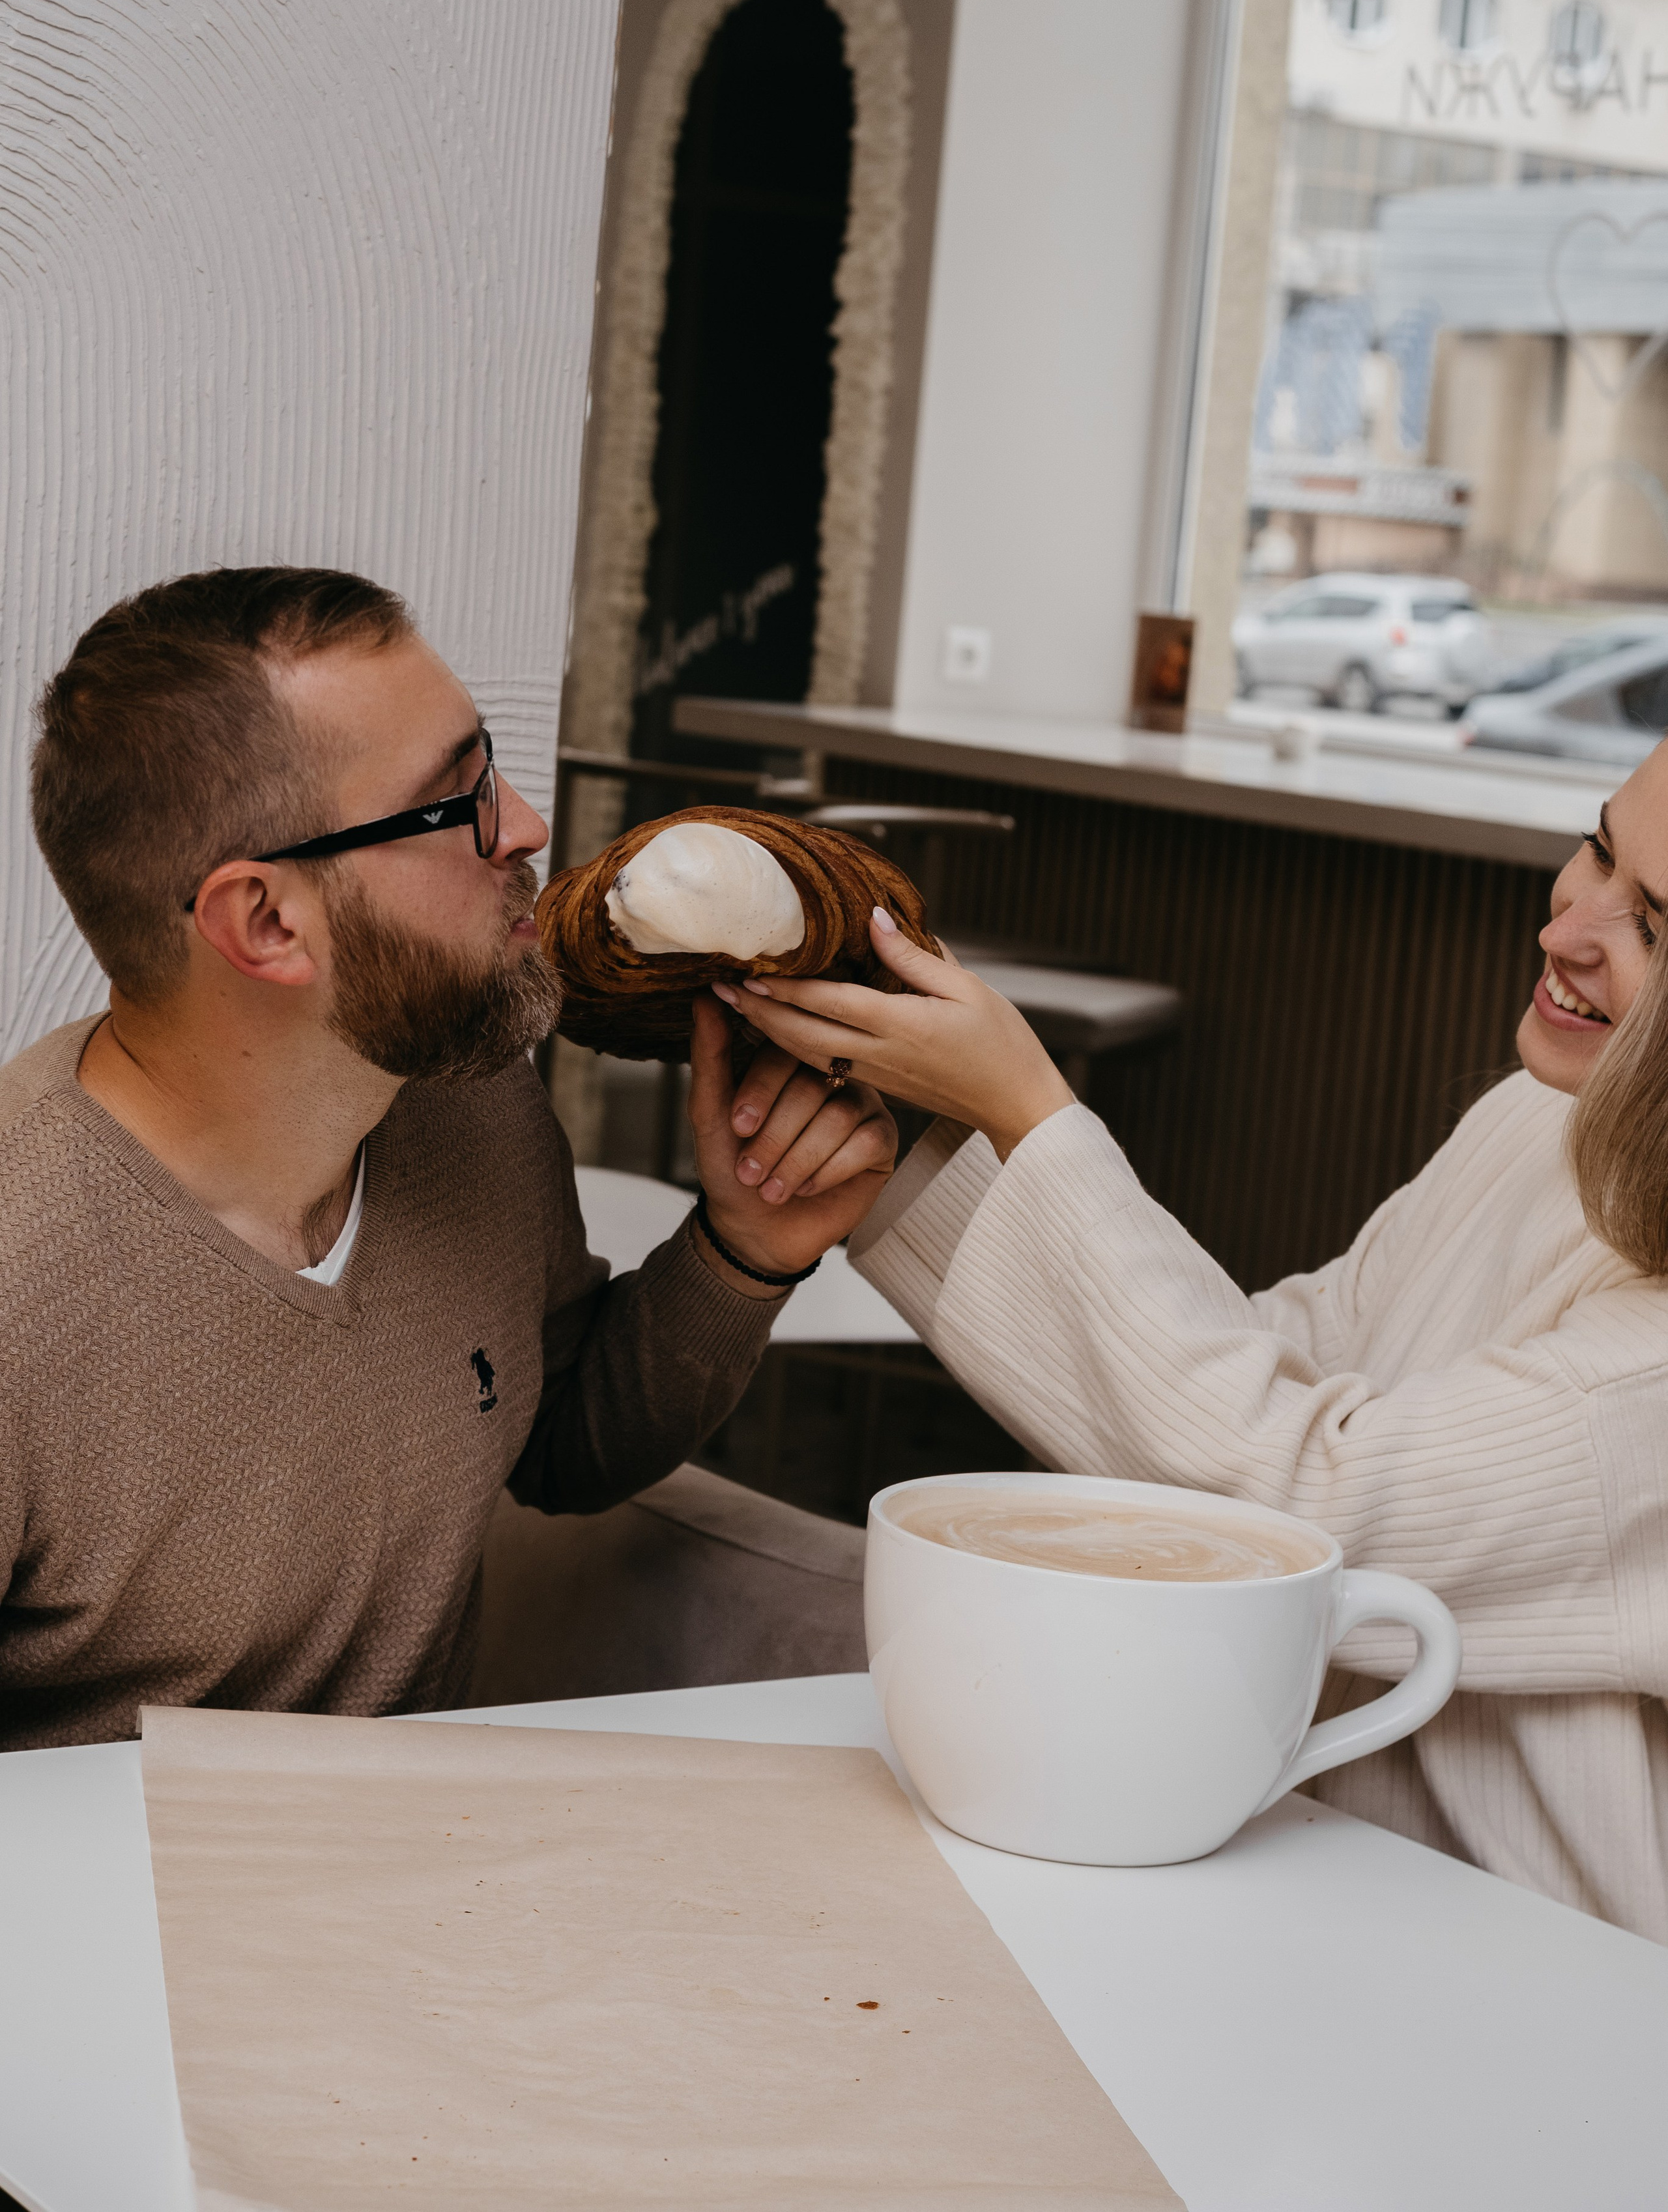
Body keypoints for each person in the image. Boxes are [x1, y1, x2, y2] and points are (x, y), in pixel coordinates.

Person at [714, 741, 1668, 1945]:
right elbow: (1287, 1361)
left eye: (1653, 929)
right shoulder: (1549, 1114)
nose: (1567, 930)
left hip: (1537, 1977)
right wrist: (902, 1168)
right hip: (1317, 1890)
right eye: (1596, 845)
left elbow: (1295, 1503)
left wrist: (1025, 1107)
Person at [0, 566, 895, 1749]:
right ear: (267, 922)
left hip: (425, 1887)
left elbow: (559, 1441)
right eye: (456, 802)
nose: (524, 827)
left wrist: (742, 1253)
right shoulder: (23, 1278)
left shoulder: (466, 1106)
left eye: (494, 766)